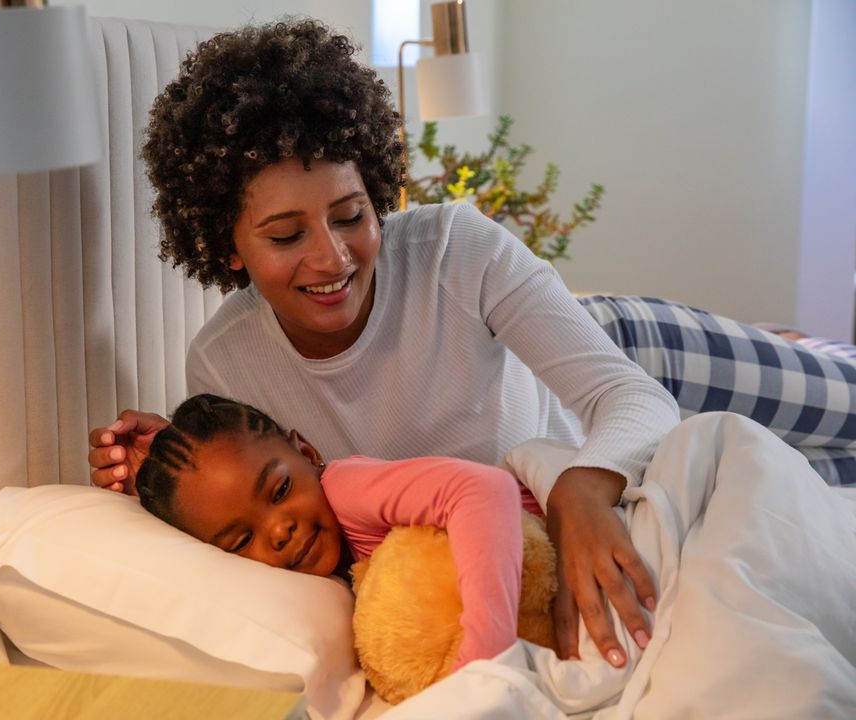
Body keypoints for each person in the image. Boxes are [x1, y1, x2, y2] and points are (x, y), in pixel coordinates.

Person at [87, 18, 856, 668]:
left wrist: (581, 491)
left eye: (352, 215)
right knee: (824, 495)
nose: (332, 258)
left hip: (624, 360)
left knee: (844, 400)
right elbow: (274, 502)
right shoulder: (223, 362)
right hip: (553, 495)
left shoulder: (457, 248)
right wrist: (169, 462)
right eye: (286, 235)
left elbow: (624, 395)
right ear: (226, 246)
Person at [134, 393, 544, 671]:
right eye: (241, 541)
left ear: (308, 454)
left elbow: (485, 489)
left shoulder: (346, 489)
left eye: (280, 489)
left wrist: (484, 664)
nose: (278, 530)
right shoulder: (311, 589)